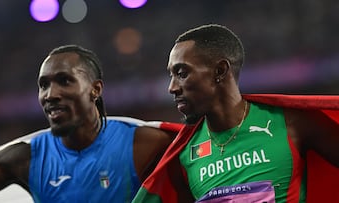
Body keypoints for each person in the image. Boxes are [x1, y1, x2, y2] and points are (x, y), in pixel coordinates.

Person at [133, 24, 339, 203]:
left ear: (220, 70)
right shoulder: (185, 153)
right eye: (171, 75)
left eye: (182, 73)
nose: (172, 87)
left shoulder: (290, 123)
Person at [0, 44, 180, 202]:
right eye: (44, 85)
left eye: (64, 81)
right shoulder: (25, 159)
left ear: (96, 89)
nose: (51, 94)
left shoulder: (144, 144)